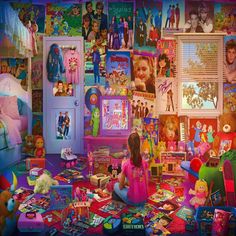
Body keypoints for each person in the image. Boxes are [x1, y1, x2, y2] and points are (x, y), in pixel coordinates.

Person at [114, 132, 149, 206]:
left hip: (132, 201)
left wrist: (122, 169)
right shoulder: (144, 163)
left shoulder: (126, 164)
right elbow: (146, 182)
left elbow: (120, 186)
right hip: (144, 200)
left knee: (116, 185)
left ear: (128, 147)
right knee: (133, 180)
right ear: (139, 146)